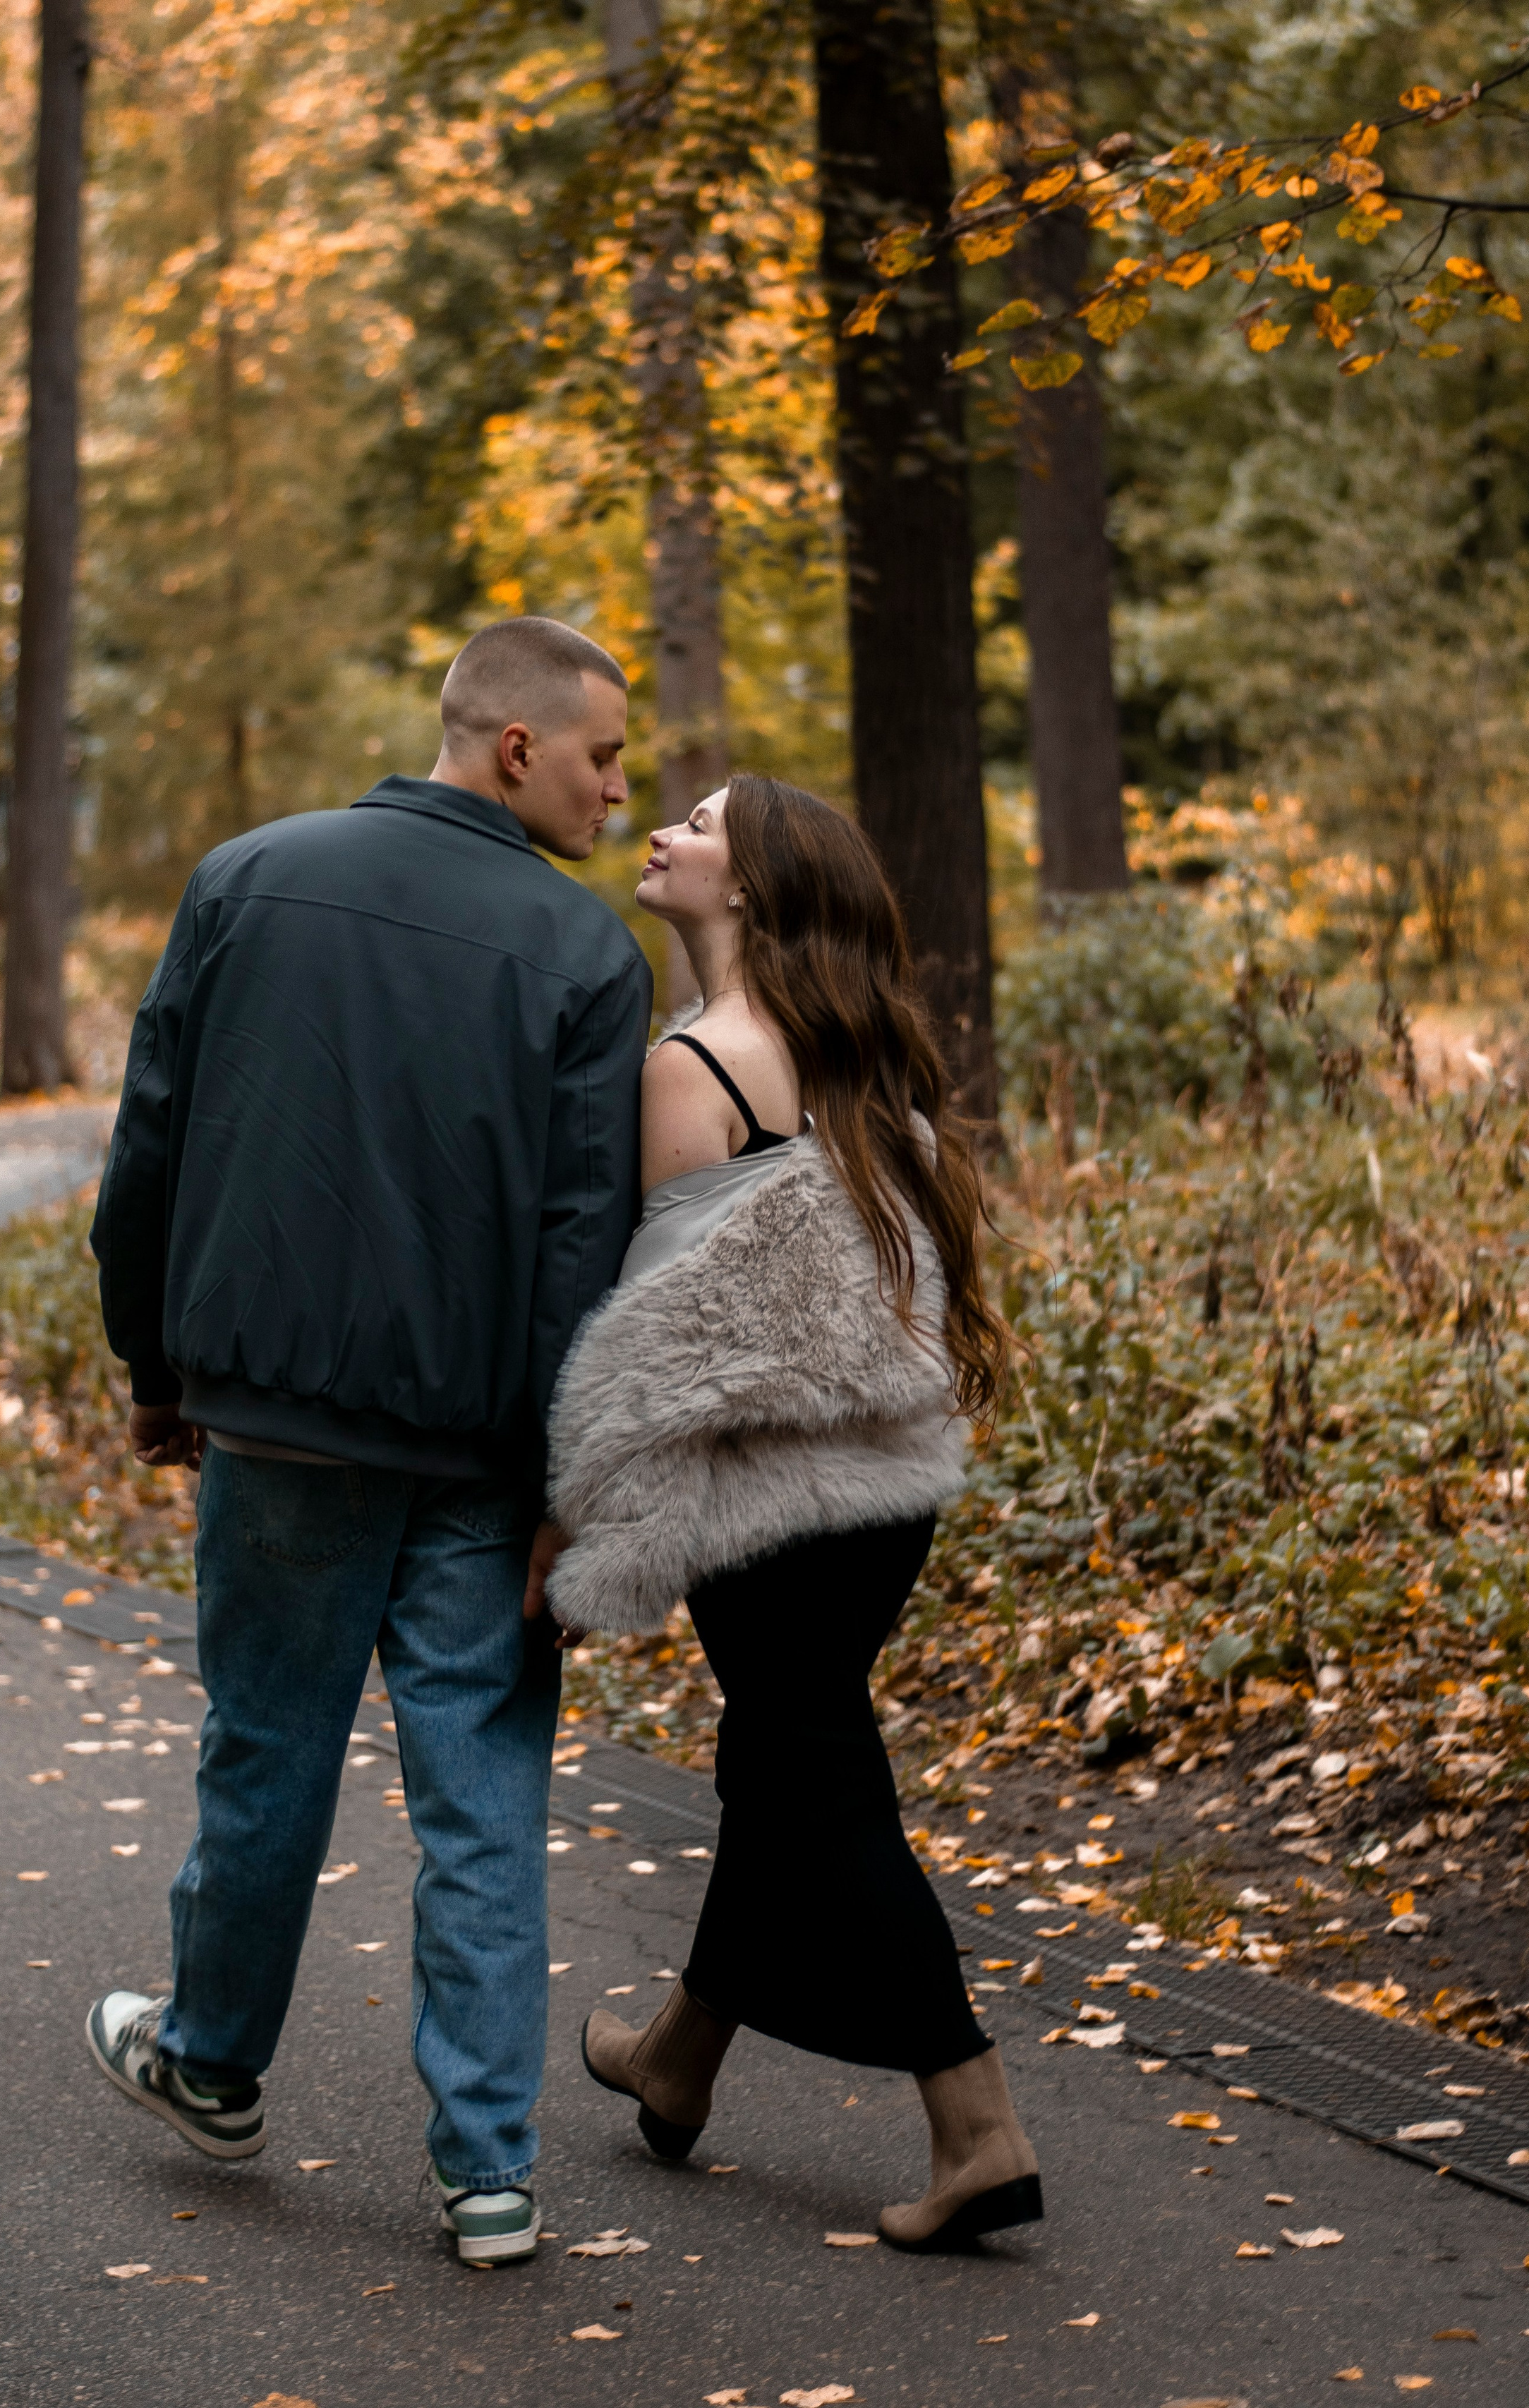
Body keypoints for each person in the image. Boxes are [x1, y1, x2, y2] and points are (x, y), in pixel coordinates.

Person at [82, 617, 652, 2268]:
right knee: (480, 1798)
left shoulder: (245, 880)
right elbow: (576, 1246)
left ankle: (212, 2065)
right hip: (479, 1457)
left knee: (266, 1750)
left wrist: (153, 1362)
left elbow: (152, 1151)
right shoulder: (583, 956)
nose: (622, 789)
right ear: (515, 746)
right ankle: (488, 2174)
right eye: (605, 756)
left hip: (277, 1424)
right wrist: (565, 1483)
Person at [548, 773, 1042, 2252]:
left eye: (693, 827)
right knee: (786, 1756)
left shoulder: (692, 1066)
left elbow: (676, 1343)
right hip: (885, 1491)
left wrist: (588, 1521)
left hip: (765, 1496)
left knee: (816, 1778)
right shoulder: (850, 1050)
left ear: (749, 884)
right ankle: (676, 2061)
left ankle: (975, 2125)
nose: (659, 834)